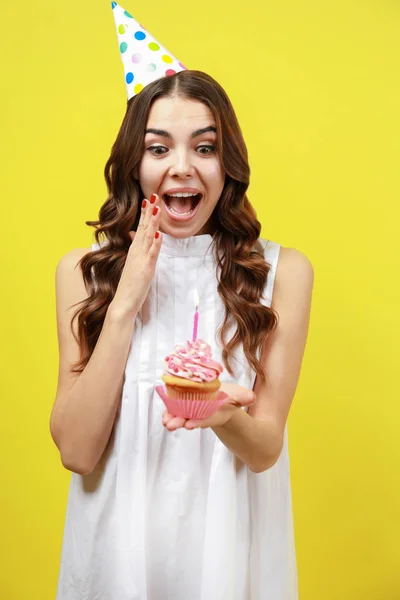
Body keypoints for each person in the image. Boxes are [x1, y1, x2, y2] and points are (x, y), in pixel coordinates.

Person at [50, 6, 314, 600]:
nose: (182, 168)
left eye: (204, 147)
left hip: (231, 553)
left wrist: (221, 414)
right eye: (159, 148)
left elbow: (266, 448)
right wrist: (125, 303)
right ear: (134, 163)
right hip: (117, 557)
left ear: (228, 163)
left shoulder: (281, 273)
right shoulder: (83, 272)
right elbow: (76, 449)